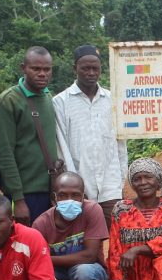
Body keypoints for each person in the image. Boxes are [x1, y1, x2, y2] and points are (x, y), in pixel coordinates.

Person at [54, 45, 127, 228]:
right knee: (84, 238)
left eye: (95, 68)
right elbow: (62, 147)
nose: (91, 73)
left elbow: (120, 143)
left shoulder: (113, 99)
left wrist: (120, 179)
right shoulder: (61, 102)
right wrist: (76, 185)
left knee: (118, 236)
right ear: (75, 69)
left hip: (110, 186)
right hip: (79, 188)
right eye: (85, 68)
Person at [32, 172, 109, 280]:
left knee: (83, 272)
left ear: (83, 197)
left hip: (92, 274)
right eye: (63, 195)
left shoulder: (92, 210)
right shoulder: (40, 224)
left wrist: (47, 259)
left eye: (75, 195)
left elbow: (89, 256)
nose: (69, 200)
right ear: (54, 198)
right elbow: (40, 272)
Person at [0, 46, 57, 225]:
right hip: (27, 193)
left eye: (47, 69)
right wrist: (18, 200)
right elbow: (5, 154)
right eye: (36, 69)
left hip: (51, 190)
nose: (42, 74)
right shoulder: (8, 101)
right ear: (23, 68)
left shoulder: (48, 97)